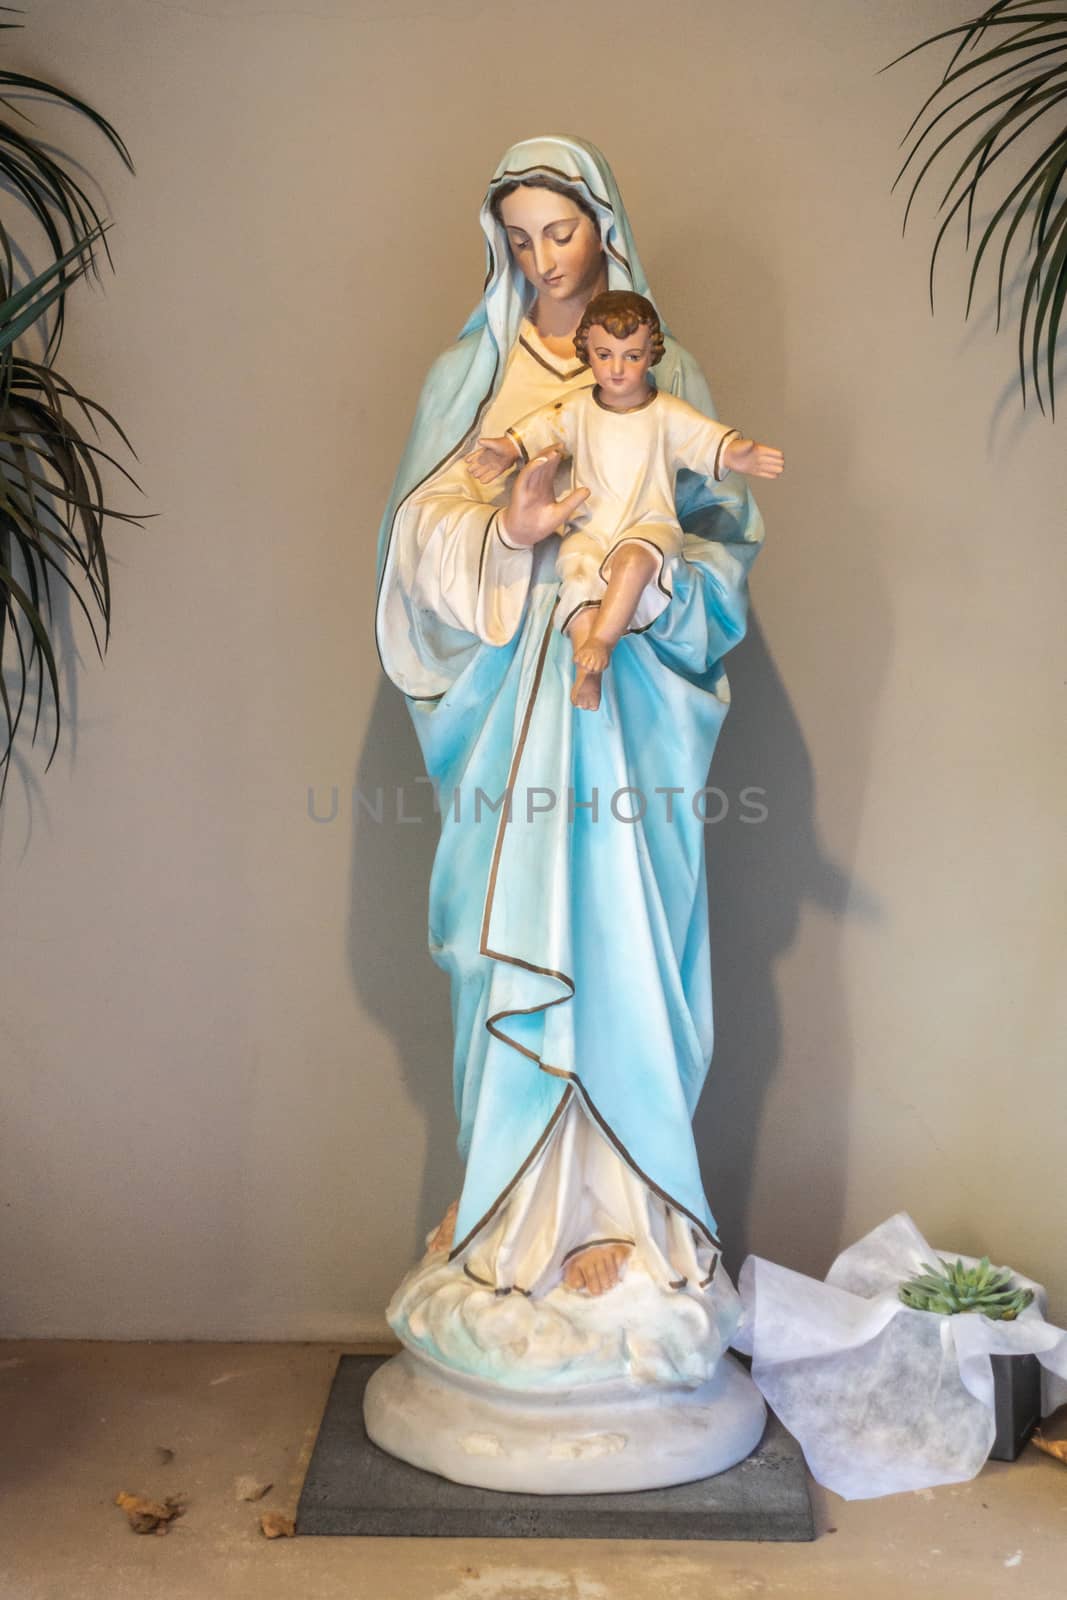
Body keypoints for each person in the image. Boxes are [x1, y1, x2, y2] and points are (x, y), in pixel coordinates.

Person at [375, 137, 767, 1350]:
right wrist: (511, 525)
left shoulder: (665, 366)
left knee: (625, 943)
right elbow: (413, 548)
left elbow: (724, 555)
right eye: (520, 235)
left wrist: (647, 594)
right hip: (512, 715)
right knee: (509, 947)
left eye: (562, 229)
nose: (544, 259)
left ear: (603, 227)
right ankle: (514, 1215)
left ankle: (626, 1211)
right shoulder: (474, 370)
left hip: (629, 707)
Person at [466, 289, 784, 709]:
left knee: (633, 562)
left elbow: (706, 440)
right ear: (587, 353)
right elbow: (543, 428)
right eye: (604, 355)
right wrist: (509, 448)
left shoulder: (666, 413)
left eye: (631, 357)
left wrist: (737, 452)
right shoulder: (577, 408)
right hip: (590, 527)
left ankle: (602, 642)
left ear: (650, 355)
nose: (616, 369)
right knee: (578, 576)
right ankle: (588, 673)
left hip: (648, 525)